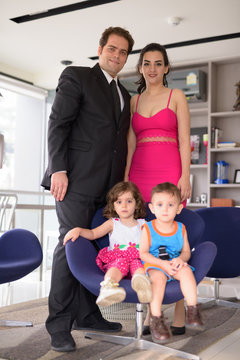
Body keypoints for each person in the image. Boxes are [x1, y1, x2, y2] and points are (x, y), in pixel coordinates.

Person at [41, 27, 134, 352]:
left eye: (123, 52)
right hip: (74, 181)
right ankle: (59, 325)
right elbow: (58, 124)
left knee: (94, 251)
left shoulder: (124, 93)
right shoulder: (77, 76)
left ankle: (87, 313)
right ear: (100, 48)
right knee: (71, 246)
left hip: (107, 187)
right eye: (112, 48)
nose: (116, 56)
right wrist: (59, 169)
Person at [124, 42, 191, 335]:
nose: (152, 68)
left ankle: (177, 316)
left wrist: (186, 175)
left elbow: (185, 137)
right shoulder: (133, 102)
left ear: (166, 67)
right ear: (141, 68)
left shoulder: (177, 96)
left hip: (170, 170)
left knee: (174, 237)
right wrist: (126, 178)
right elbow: (130, 143)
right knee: (146, 240)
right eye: (147, 63)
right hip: (139, 172)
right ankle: (152, 312)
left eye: (158, 63)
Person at [64, 181, 152, 307]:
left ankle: (143, 287)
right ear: (114, 205)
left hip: (137, 258)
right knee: (119, 264)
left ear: (137, 204)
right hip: (118, 258)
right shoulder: (113, 223)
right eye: (119, 202)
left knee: (139, 266)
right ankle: (108, 287)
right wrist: (78, 230)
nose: (124, 206)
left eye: (129, 201)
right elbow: (93, 234)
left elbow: (154, 241)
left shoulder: (143, 224)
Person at [139, 182, 203, 344]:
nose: (165, 209)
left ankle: (193, 309)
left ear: (179, 209)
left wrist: (181, 260)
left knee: (187, 272)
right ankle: (156, 318)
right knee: (158, 279)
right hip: (155, 265)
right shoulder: (148, 228)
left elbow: (186, 252)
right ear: (152, 208)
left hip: (174, 264)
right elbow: (143, 254)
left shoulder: (181, 228)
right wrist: (161, 264)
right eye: (160, 205)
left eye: (170, 205)